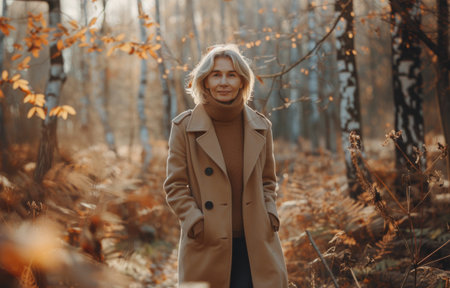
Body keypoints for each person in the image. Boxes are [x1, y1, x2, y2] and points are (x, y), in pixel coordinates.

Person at [164, 44, 288, 288]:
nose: (224, 82)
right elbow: (175, 186)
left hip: (255, 243)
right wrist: (195, 221)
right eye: (216, 74)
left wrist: (270, 213)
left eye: (231, 75)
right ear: (205, 81)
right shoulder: (184, 127)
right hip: (207, 241)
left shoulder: (261, 127)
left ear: (242, 82)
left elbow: (268, 181)